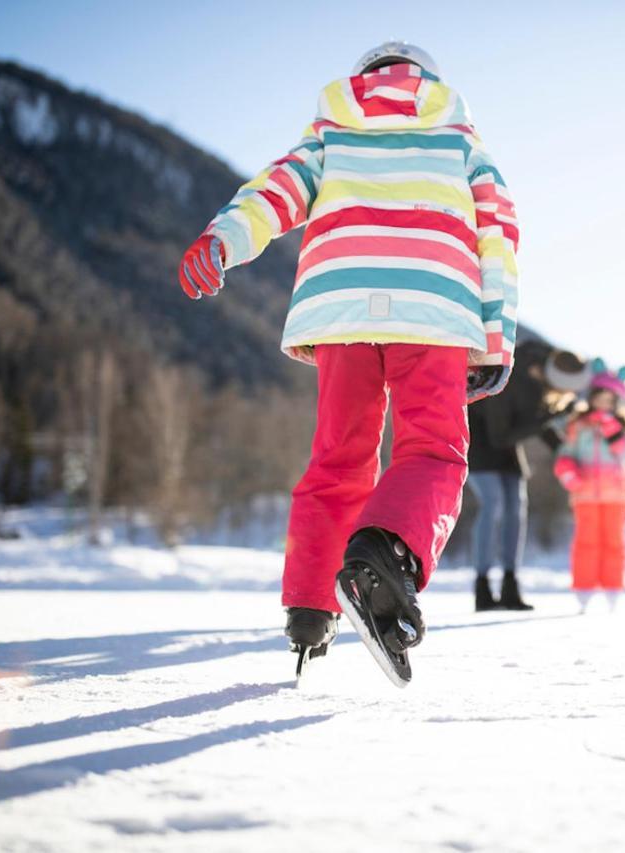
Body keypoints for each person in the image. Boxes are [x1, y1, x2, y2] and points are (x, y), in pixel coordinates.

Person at [177, 41, 519, 685]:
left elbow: (275, 191)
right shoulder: (461, 140)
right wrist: (495, 337)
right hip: (434, 307)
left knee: (339, 455)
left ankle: (310, 608)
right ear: (428, 81)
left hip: (339, 307)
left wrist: (222, 240)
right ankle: (385, 553)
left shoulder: (331, 131)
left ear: (366, 78)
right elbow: (498, 231)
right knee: (431, 451)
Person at [467, 340, 589, 611]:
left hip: (508, 448)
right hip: (481, 444)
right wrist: (548, 417)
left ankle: (510, 585)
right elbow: (502, 434)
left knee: (516, 510)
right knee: (494, 505)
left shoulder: (542, 378)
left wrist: (567, 453)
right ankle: (483, 586)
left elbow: (534, 423)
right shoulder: (510, 374)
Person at [554, 361, 625, 613]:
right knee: (586, 542)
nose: (603, 404)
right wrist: (568, 472)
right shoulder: (578, 425)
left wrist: (611, 428)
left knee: (614, 543)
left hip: (616, 496)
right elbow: (564, 454)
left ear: (617, 403)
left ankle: (613, 588)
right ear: (591, 398)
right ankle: (584, 590)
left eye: (609, 400)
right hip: (585, 495)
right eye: (599, 398)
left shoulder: (624, 427)